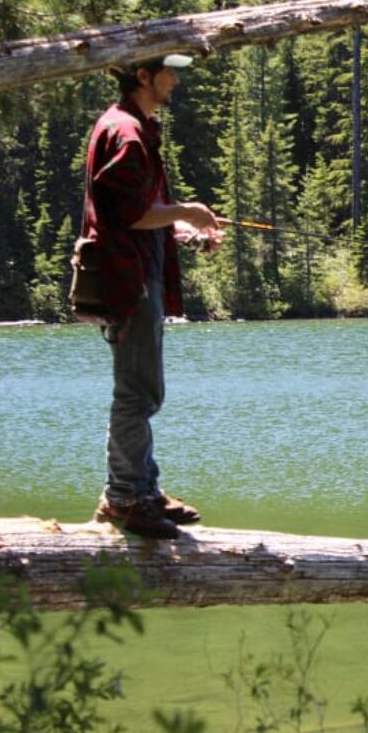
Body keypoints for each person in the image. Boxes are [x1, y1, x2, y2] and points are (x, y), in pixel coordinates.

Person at [78, 53, 224, 539]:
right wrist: (190, 211)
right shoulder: (126, 133)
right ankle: (124, 497)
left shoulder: (133, 127)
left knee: (143, 388)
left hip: (136, 272)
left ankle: (142, 487)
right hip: (128, 280)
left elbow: (140, 215)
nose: (176, 80)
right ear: (144, 76)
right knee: (137, 391)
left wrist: (181, 228)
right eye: (170, 71)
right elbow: (135, 214)